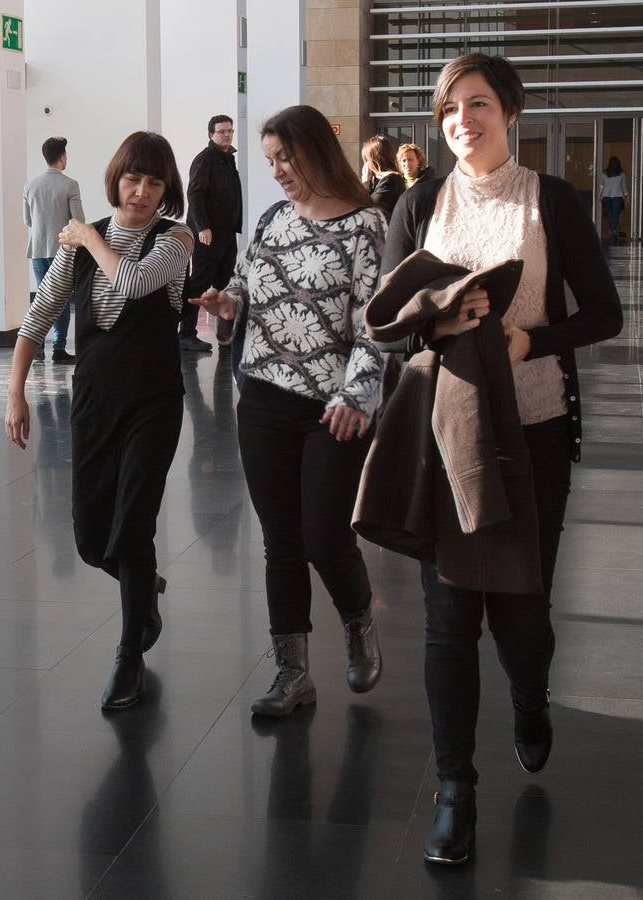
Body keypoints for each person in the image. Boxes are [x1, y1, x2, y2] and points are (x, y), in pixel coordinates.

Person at [380, 53, 622, 865]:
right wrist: (437, 324)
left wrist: (531, 339)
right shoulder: (418, 202)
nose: (462, 121)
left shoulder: (550, 201)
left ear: (509, 113)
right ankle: (455, 792)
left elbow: (605, 315)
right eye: (449, 109)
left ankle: (529, 696)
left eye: (477, 105)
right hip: (449, 434)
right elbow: (386, 314)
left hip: (535, 429)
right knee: (448, 622)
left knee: (521, 612)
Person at [194, 105, 387, 718]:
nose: (276, 171)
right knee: (282, 541)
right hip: (263, 400)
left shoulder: (367, 226)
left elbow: (374, 326)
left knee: (325, 536)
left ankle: (357, 620)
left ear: (316, 154)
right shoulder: (274, 218)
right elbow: (249, 281)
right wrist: (227, 301)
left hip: (333, 409)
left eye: (286, 158)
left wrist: (357, 396)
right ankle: (291, 675)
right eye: (271, 159)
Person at [4, 131, 193, 711]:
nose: (140, 192)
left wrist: (87, 234)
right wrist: (15, 394)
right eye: (132, 179)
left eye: (154, 183)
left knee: (133, 525)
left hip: (153, 401)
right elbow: (37, 320)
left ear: (166, 191)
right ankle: (145, 591)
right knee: (90, 539)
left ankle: (128, 653)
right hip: (94, 399)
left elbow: (131, 282)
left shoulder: (174, 239)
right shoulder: (78, 248)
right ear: (115, 179)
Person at [182, 114, 241, 353]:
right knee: (199, 282)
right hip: (209, 234)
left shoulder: (228, 158)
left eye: (230, 131)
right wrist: (202, 227)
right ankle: (186, 334)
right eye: (222, 131)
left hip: (227, 234)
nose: (227, 135)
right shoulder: (205, 159)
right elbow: (194, 194)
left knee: (225, 283)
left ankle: (225, 334)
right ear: (211, 135)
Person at [24, 136, 84, 363]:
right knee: (60, 301)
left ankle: (37, 347)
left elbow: (27, 220)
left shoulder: (30, 185)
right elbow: (78, 220)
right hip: (62, 251)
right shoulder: (70, 184)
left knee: (42, 299)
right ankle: (59, 349)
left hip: (38, 250)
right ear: (62, 157)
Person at [361, 135, 408, 217]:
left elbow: (368, 210)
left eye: (366, 160)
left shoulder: (390, 180)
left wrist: (366, 183)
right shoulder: (381, 181)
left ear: (374, 161)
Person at [600, 155, 627, 245]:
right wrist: (626, 194)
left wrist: (600, 195)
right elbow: (623, 185)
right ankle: (613, 230)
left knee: (610, 214)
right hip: (617, 196)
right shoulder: (621, 173)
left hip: (607, 196)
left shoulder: (604, 173)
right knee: (614, 214)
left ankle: (612, 230)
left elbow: (601, 185)